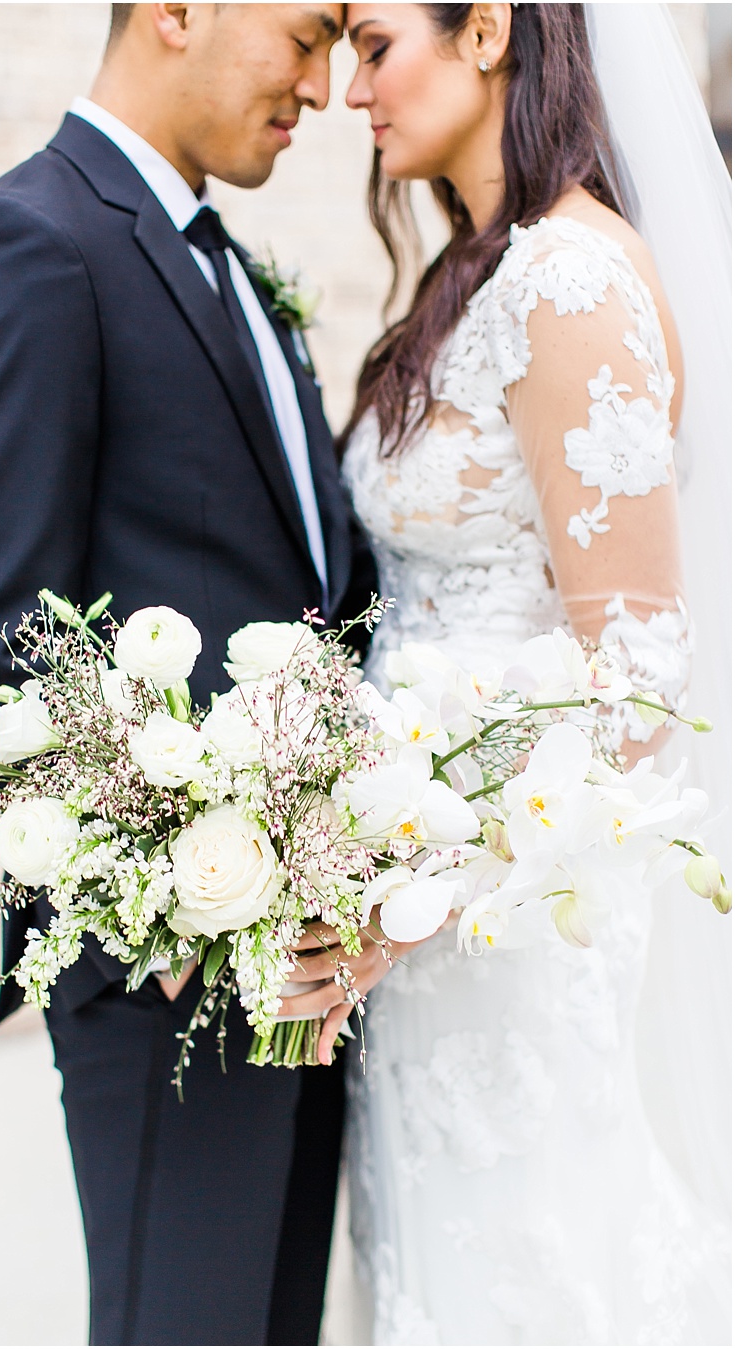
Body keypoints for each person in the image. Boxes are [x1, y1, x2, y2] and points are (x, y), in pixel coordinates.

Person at [0, 5, 379, 1342]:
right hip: (167, 969)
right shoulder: (28, 245)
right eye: (306, 35)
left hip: (307, 957)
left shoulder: (223, 260)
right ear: (178, 12)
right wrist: (173, 887)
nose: (328, 89)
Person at [328, 4, 731, 1341]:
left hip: (512, 911)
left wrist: (442, 876)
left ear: (488, 31)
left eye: (374, 44)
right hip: (417, 910)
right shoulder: (472, 278)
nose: (350, 91)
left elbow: (635, 673)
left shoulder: (571, 281)